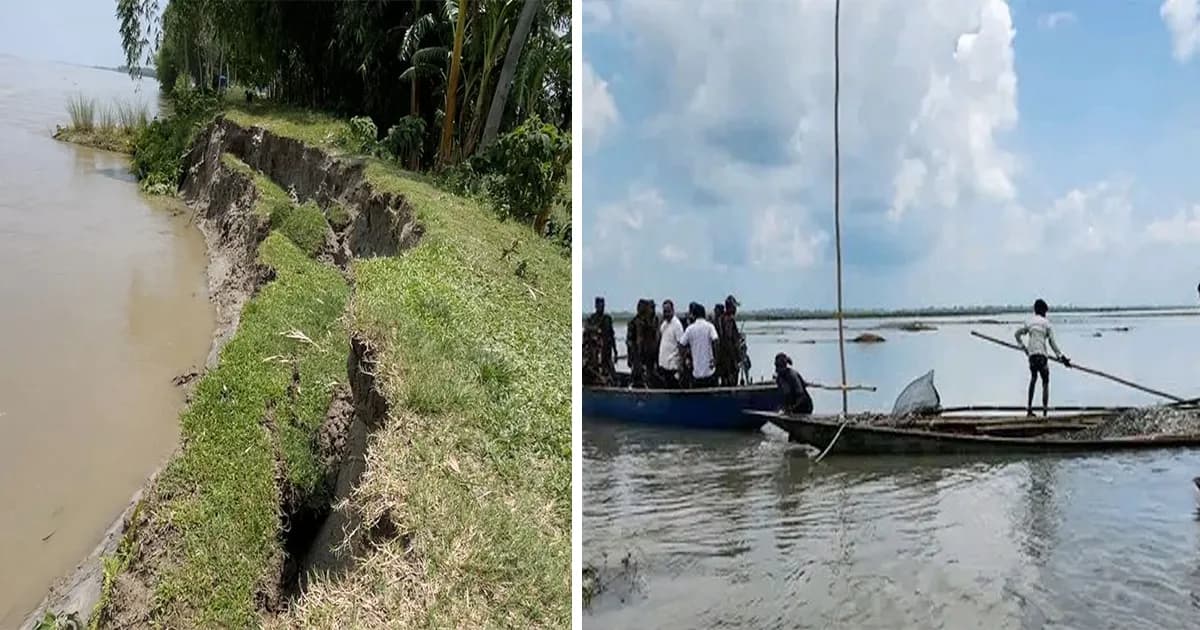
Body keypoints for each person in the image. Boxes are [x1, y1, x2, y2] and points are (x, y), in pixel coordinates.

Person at [1015, 299, 1071, 417]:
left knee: (1033, 379)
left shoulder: (1029, 322)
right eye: (1045, 312)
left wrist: (1023, 348)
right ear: (1042, 311)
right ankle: (1045, 413)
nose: (1046, 314)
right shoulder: (1046, 323)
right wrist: (1062, 357)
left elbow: (1017, 334)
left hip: (1032, 356)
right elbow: (1052, 343)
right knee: (1045, 382)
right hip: (1042, 356)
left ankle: (1029, 410)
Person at [677, 303, 719, 388]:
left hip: (696, 373)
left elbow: (681, 345)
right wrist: (715, 359)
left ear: (694, 315)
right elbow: (716, 341)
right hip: (710, 372)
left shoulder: (690, 329)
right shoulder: (710, 327)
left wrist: (683, 361)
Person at [586, 297, 617, 383]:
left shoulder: (607, 319)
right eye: (600, 305)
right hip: (595, 350)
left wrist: (615, 350)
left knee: (609, 369)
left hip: (607, 349)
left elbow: (612, 335)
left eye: (603, 305)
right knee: (595, 368)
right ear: (596, 306)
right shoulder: (591, 319)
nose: (602, 307)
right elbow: (587, 335)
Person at [716, 295, 742, 387]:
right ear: (730, 307)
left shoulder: (721, 319)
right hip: (729, 360)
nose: (736, 309)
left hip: (722, 359)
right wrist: (737, 359)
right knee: (731, 383)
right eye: (734, 307)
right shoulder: (729, 320)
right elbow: (729, 340)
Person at [657, 300, 684, 388]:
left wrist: (680, 365)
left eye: (668, 311)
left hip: (673, 366)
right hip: (664, 365)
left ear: (673, 310)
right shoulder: (664, 324)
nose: (666, 314)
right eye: (664, 311)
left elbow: (681, 345)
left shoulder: (677, 325)